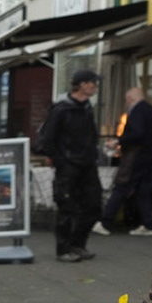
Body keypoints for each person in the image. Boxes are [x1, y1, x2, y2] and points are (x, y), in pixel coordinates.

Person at [38, 68, 102, 263]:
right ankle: (64, 249)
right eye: (92, 83)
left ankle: (78, 244)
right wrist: (61, 162)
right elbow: (47, 140)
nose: (95, 86)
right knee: (67, 208)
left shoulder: (87, 108)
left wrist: (93, 152)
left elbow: (91, 135)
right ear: (81, 85)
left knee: (94, 205)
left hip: (87, 165)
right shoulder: (61, 109)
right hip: (69, 166)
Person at [98, 85, 152, 237]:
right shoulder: (151, 111)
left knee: (121, 186)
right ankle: (148, 224)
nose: (127, 104)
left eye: (127, 100)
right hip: (148, 154)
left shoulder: (137, 111)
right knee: (142, 191)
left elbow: (136, 133)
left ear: (131, 99)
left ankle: (105, 222)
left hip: (134, 156)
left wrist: (118, 141)